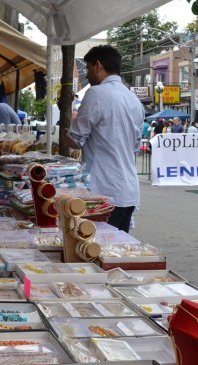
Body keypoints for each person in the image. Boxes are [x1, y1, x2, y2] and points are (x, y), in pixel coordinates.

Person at [64, 45, 143, 232]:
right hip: (129, 190)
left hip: (104, 189)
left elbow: (74, 140)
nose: (87, 74)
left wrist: (69, 128)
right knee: (116, 253)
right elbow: (135, 146)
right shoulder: (134, 99)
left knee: (95, 251)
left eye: (88, 68)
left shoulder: (97, 94)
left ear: (98, 66)